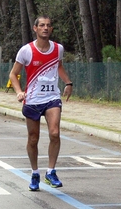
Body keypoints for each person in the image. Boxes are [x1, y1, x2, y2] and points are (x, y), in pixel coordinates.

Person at [9, 15, 73, 191]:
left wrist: (68, 82)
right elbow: (13, 74)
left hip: (52, 97)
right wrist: (19, 92)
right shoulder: (26, 51)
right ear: (35, 29)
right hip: (33, 99)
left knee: (54, 133)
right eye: (42, 25)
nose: (46, 28)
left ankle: (50, 172)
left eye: (49, 25)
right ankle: (35, 172)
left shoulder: (58, 48)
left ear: (51, 29)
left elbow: (58, 66)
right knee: (33, 138)